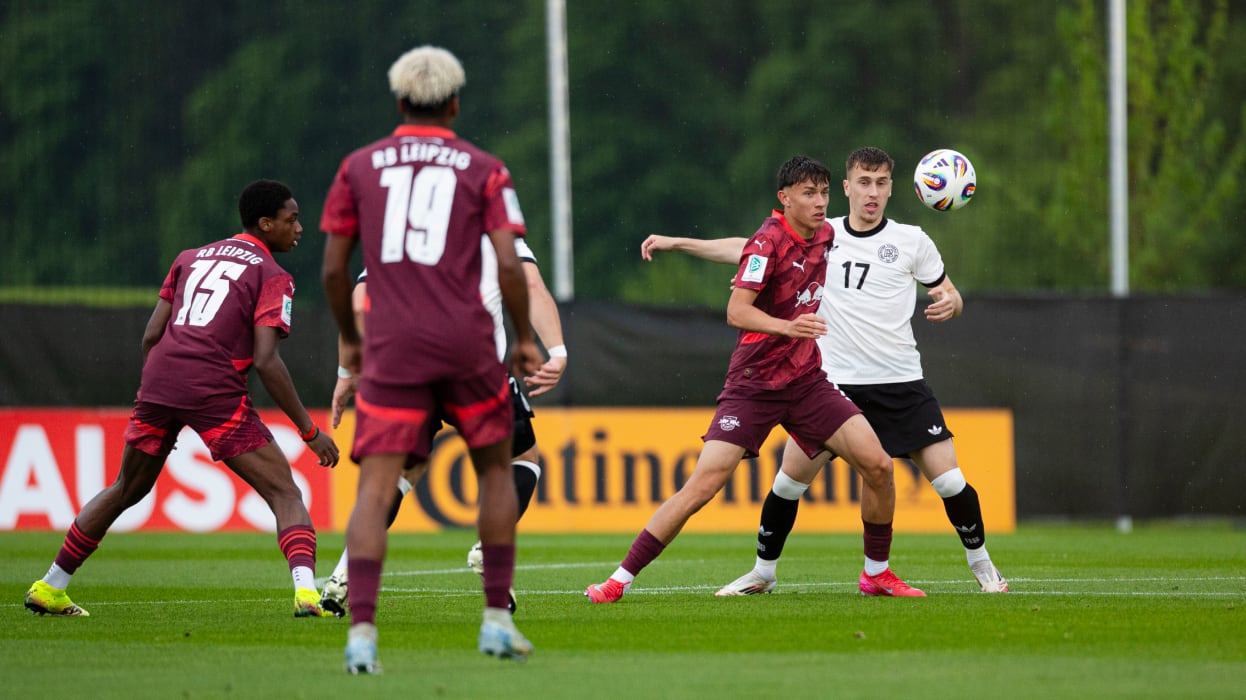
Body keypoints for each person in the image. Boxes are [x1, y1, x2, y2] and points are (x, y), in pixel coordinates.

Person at [640, 146, 1008, 596]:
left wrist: (953, 303)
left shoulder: (913, 240)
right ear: (847, 188)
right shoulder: (820, 234)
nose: (872, 193)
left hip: (900, 383)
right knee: (788, 484)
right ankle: (762, 573)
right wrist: (679, 243)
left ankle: (982, 565)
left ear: (893, 189)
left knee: (950, 481)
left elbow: (949, 293)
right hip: (832, 385)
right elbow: (745, 248)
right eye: (864, 183)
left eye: (881, 184)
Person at [585, 155, 922, 604]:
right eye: (809, 193)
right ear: (785, 199)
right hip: (754, 383)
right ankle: (618, 580)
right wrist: (789, 326)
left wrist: (679, 242)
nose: (820, 202)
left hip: (806, 382)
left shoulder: (826, 234)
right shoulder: (768, 242)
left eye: (824, 193)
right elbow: (736, 311)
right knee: (704, 485)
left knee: (878, 465)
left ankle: (876, 574)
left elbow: (735, 247)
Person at [24, 179, 341, 619]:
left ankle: (50, 585)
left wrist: (163, 393)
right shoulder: (273, 276)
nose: (300, 228)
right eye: (292, 219)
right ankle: (307, 594)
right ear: (266, 224)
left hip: (160, 381)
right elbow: (267, 361)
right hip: (212, 387)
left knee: (126, 488)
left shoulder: (189, 258)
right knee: (285, 492)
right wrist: (309, 431)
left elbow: (151, 335)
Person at [322, 45, 542, 674]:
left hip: (393, 347)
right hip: (466, 342)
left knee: (375, 485)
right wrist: (522, 338)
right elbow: (509, 264)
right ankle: (496, 620)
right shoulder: (485, 169)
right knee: (497, 472)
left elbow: (334, 270)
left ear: (399, 102)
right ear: (455, 104)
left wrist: (352, 345)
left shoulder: (358, 167)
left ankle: (362, 634)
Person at [319, 235, 567, 616]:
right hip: (474, 366)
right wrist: (558, 351)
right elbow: (530, 284)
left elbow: (358, 306)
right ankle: (490, 553)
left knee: (398, 473)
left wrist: (345, 372)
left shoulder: (401, 228)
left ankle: (343, 575)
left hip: (408, 369)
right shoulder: (491, 224)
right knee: (521, 460)